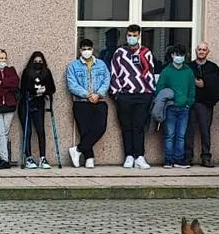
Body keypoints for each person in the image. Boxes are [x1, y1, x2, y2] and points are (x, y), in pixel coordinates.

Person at [110, 24, 157, 169]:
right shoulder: (119, 52)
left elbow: (150, 73)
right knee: (126, 126)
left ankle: (140, 156)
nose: (132, 38)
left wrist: (149, 92)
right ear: (126, 36)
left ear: (139, 36)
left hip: (142, 96)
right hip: (125, 95)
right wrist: (117, 94)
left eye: (134, 35)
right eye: (129, 35)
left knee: (138, 126)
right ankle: (129, 155)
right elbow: (114, 72)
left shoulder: (146, 52)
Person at [66, 38, 110, 168]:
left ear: (93, 49)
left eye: (89, 49)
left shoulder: (101, 64)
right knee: (84, 130)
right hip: (81, 102)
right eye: (84, 49)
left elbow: (106, 80)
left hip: (99, 101)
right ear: (80, 50)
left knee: (100, 128)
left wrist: (99, 94)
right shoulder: (73, 66)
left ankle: (78, 149)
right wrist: (88, 95)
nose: (86, 51)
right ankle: (89, 158)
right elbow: (72, 85)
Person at [156, 45, 196, 168]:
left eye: (181, 55)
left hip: (184, 108)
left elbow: (192, 90)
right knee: (170, 135)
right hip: (170, 108)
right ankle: (168, 159)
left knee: (181, 135)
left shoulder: (188, 71)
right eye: (176, 54)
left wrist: (189, 102)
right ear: (172, 55)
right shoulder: (166, 71)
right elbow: (160, 89)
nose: (179, 57)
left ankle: (178, 160)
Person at [185, 43, 219, 168]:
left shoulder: (213, 68)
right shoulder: (189, 66)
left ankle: (206, 157)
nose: (201, 51)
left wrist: (205, 83)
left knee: (205, 131)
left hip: (205, 104)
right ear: (195, 51)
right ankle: (187, 157)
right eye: (199, 49)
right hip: (190, 103)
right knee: (188, 131)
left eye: (204, 50)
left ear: (208, 52)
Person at [18, 51, 56, 169]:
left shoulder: (46, 72)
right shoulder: (27, 72)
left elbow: (52, 88)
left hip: (39, 105)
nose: (38, 63)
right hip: (26, 104)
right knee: (27, 132)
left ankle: (43, 158)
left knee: (40, 131)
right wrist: (32, 92)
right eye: (35, 62)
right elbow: (23, 89)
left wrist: (45, 92)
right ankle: (28, 157)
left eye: (40, 61)